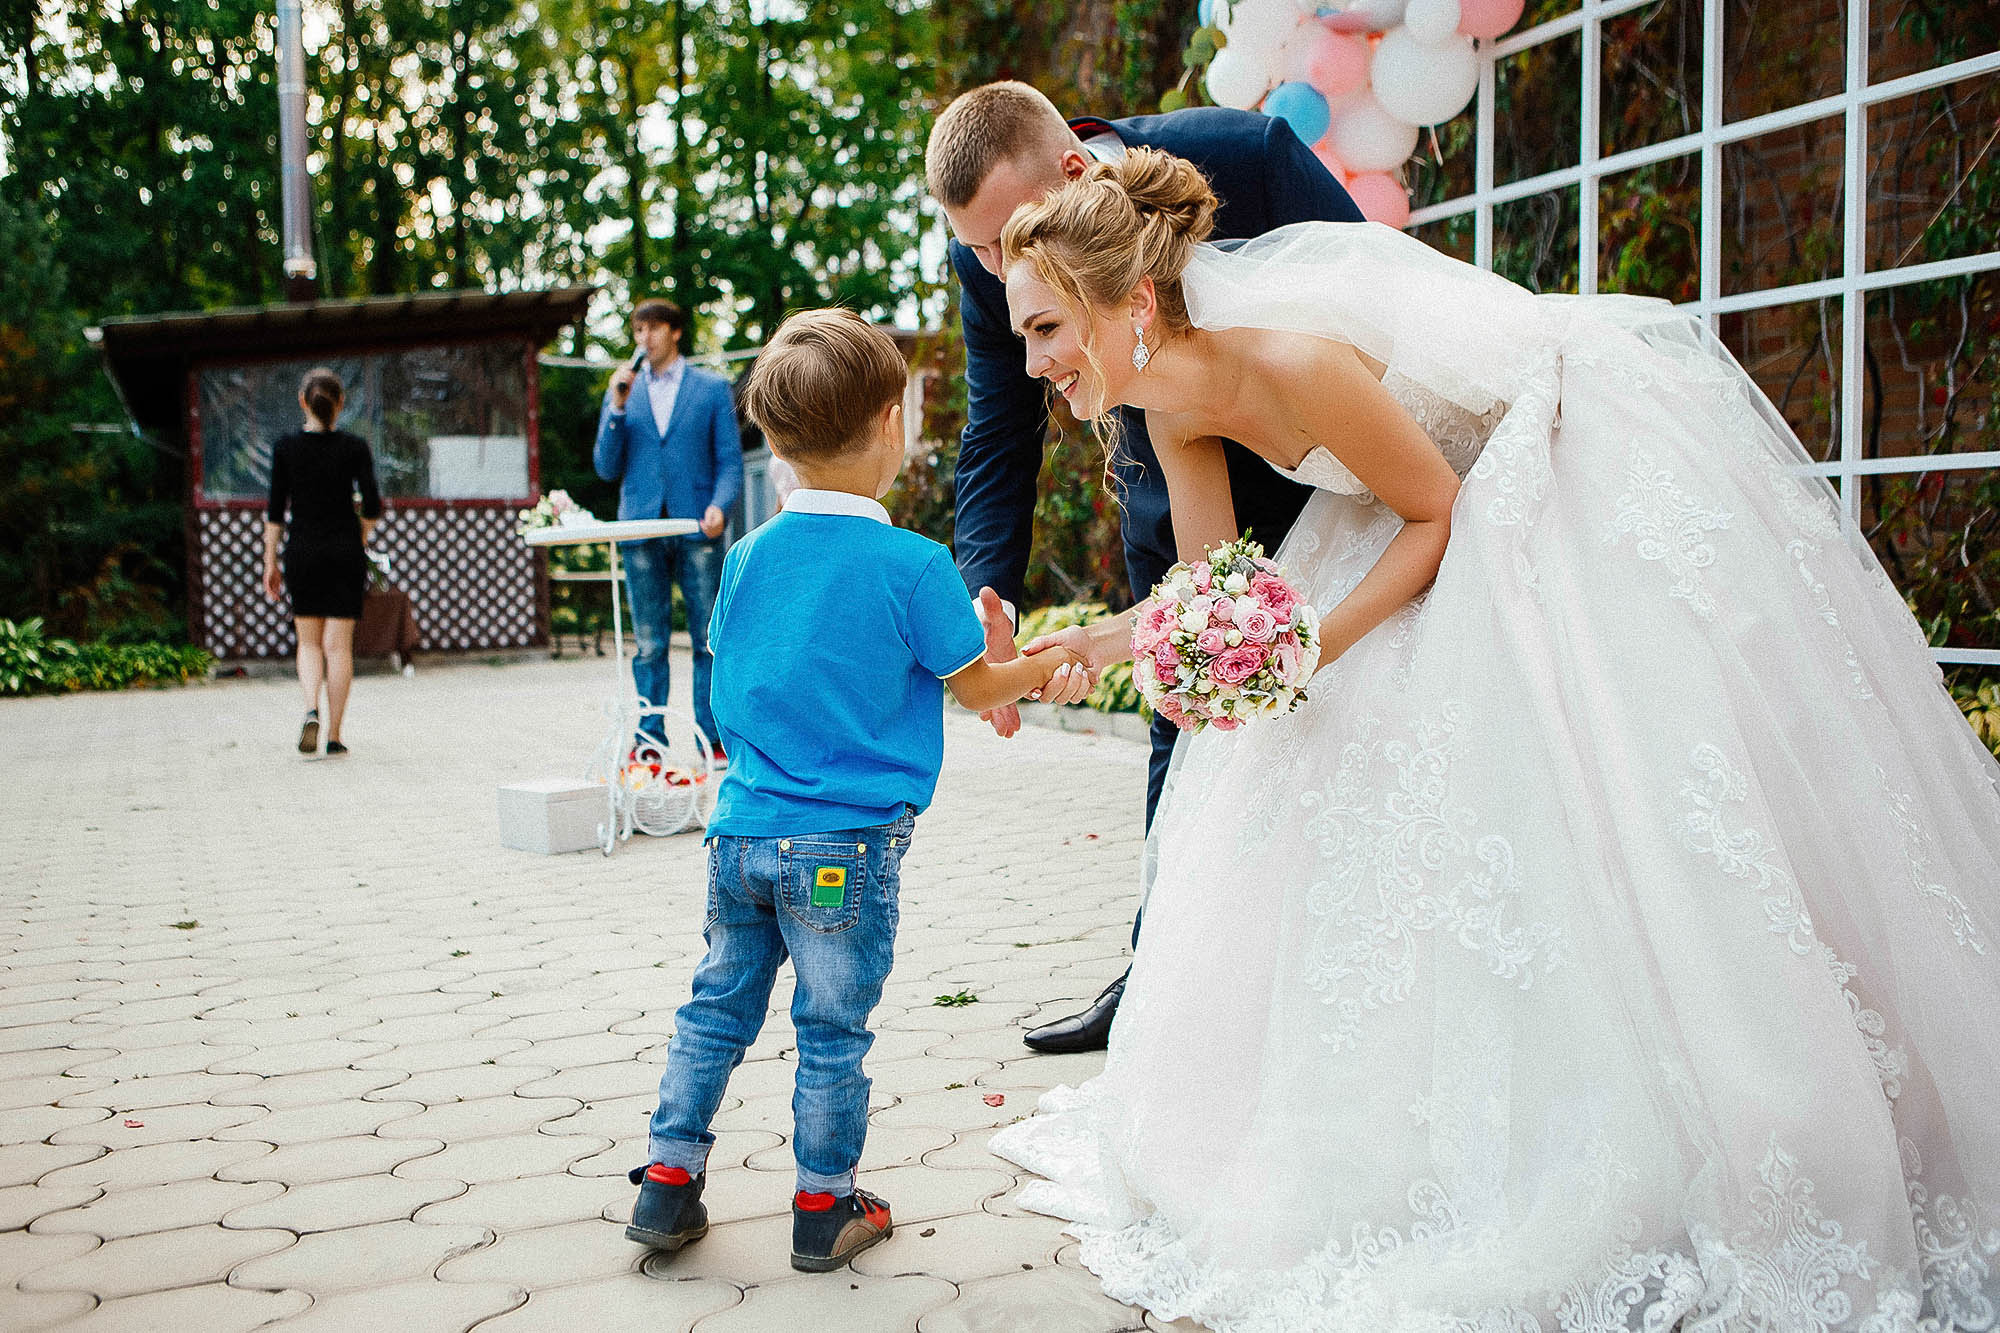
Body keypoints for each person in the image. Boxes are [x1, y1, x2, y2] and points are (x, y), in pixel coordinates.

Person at [987, 150, 2000, 1330]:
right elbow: (1215, 587)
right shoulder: (1164, 406)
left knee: (1595, 782)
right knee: (1290, 777)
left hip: (1538, 463)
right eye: (1022, 337)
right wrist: (1097, 650)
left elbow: (1437, 515)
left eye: (1047, 328)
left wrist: (1305, 649)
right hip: (1408, 512)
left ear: (1137, 304)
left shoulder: (1292, 357)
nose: (1034, 363)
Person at [624, 308, 1087, 1273]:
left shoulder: (747, 557)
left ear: (775, 439)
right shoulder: (914, 564)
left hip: (740, 833)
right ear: (893, 420)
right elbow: (978, 686)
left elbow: (732, 680)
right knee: (830, 1029)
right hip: (844, 850)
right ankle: (823, 1203)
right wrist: (1043, 660)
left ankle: (669, 1183)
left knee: (714, 1007)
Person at [926, 81, 1365, 1055]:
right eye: (975, 251)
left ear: (1074, 175)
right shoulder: (987, 259)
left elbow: (1377, 299)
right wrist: (983, 594)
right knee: (1186, 702)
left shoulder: (1246, 159)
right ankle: (1158, 974)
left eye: (1002, 242)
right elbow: (998, 431)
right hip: (1176, 469)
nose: (994, 270)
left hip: (1343, 475)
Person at [595, 297, 743, 762]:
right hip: (641, 529)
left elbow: (731, 463)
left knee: (707, 639)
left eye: (654, 329)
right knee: (650, 643)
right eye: (638, 330)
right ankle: (650, 741)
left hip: (697, 527)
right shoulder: (623, 390)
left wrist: (721, 505)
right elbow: (604, 466)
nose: (645, 338)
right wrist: (616, 408)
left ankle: (712, 737)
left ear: (674, 332)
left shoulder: (712, 388)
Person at [262, 366, 382, 757]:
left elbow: (276, 512)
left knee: (309, 643)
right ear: (340, 404)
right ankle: (334, 736)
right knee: (339, 648)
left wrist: (270, 562)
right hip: (345, 553)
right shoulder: (354, 448)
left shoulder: (285, 448)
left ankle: (310, 707)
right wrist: (359, 537)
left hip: (304, 553)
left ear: (303, 402)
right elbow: (373, 506)